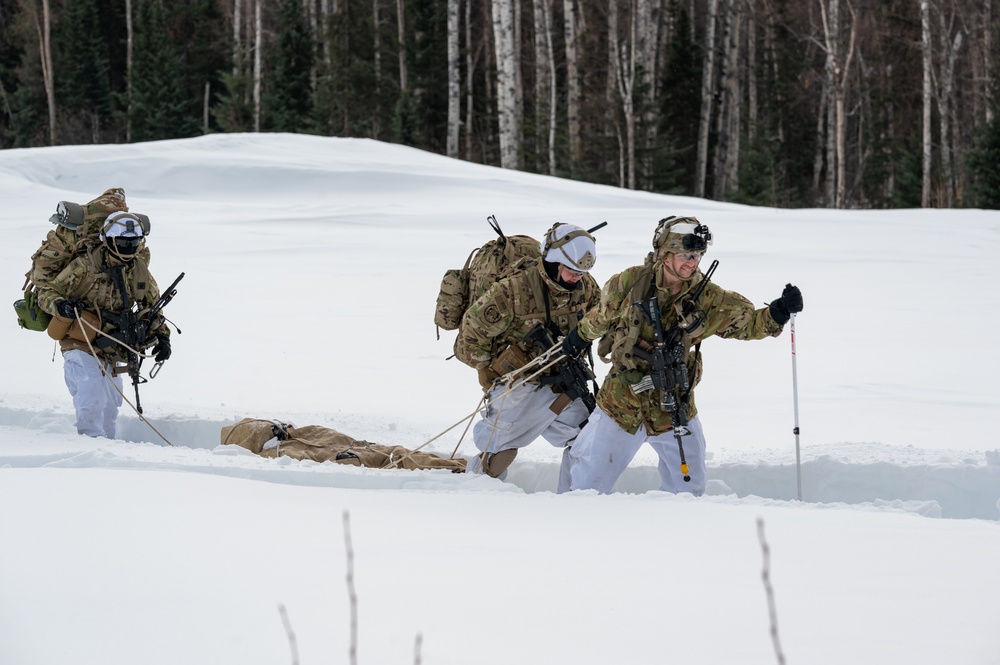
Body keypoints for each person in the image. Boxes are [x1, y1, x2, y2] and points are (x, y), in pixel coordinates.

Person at [563, 216, 803, 495]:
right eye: (685, 255)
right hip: (622, 402)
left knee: (689, 488)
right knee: (586, 483)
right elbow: (599, 318)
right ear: (664, 254)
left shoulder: (708, 297)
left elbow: (748, 323)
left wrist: (778, 313)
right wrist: (576, 339)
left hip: (674, 404)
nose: (692, 262)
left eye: (698, 255)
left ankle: (679, 534)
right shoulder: (629, 283)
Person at [454, 223, 601, 491]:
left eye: (582, 272)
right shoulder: (513, 290)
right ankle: (473, 496)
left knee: (589, 439)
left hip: (563, 382)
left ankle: (577, 501)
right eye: (571, 270)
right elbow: (469, 336)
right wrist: (488, 369)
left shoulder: (584, 285)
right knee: (499, 457)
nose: (577, 277)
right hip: (521, 385)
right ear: (554, 262)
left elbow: (598, 316)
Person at [37, 207, 171, 438]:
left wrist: (163, 336)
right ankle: (89, 445)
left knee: (111, 404)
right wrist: (62, 306)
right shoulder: (85, 266)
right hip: (81, 341)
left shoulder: (139, 270)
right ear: (108, 240)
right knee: (91, 396)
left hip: (113, 346)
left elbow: (152, 306)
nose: (128, 248)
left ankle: (107, 450)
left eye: (133, 242)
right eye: (122, 242)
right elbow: (47, 292)